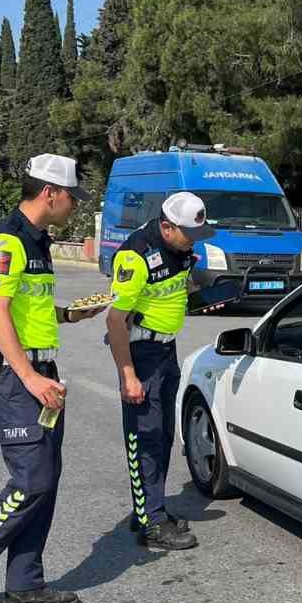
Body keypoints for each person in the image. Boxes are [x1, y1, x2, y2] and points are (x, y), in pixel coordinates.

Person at [0, 154, 101, 603]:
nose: (75, 205)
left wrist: (69, 315)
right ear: (50, 193)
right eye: (72, 197)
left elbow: (24, 308)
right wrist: (30, 377)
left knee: (46, 479)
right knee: (32, 480)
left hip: (41, 369)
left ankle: (25, 587)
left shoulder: (37, 242)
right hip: (16, 377)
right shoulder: (6, 241)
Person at [106, 190, 219, 551]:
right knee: (144, 438)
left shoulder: (180, 249)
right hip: (141, 353)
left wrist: (202, 293)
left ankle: (150, 510)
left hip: (166, 349)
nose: (193, 241)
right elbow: (115, 321)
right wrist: (128, 376)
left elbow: (177, 291)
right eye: (189, 234)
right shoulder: (136, 256)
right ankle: (151, 523)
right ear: (167, 227)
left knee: (164, 435)